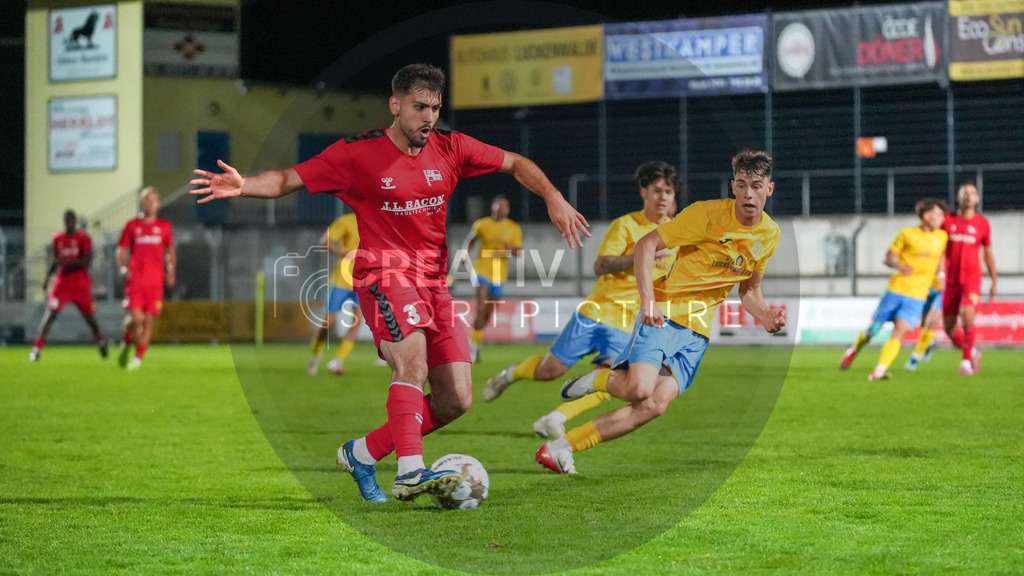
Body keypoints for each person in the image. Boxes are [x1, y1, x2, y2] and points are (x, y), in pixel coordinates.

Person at [190, 63, 589, 503]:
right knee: (411, 362)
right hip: (384, 275)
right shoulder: (355, 154)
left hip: (435, 285)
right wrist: (244, 185)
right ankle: (410, 471)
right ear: (395, 106)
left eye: (436, 107)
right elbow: (288, 179)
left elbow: (515, 162)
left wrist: (553, 197)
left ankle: (363, 453)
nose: (429, 117)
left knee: (456, 400)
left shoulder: (451, 147)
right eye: (420, 107)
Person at [536, 150, 785, 474]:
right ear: (733, 186)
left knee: (654, 405)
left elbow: (750, 291)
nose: (748, 193)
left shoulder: (770, 235)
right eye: (741, 185)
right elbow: (646, 245)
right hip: (664, 314)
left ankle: (561, 448)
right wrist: (648, 299)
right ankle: (597, 378)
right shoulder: (706, 215)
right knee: (637, 389)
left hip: (697, 333)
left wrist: (764, 315)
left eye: (756, 185)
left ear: (770, 188)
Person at [482, 161, 679, 441]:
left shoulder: (677, 235)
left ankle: (557, 418)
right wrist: (643, 255)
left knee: (615, 379)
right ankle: (511, 374)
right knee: (549, 371)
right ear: (644, 192)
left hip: (629, 323)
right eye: (657, 190)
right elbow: (601, 265)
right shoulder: (626, 224)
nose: (663, 197)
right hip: (597, 312)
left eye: (668, 192)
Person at [839, 198, 948, 380]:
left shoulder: (942, 237)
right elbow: (889, 257)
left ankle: (879, 370)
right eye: (938, 214)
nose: (942, 218)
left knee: (901, 331)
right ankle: (854, 349)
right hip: (896, 290)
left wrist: (941, 276)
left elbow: (941, 256)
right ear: (927, 215)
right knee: (873, 331)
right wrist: (898, 265)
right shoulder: (907, 234)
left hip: (918, 296)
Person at [29, 209, 108, 361]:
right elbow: (55, 260)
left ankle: (100, 340)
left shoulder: (83, 238)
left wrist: (67, 262)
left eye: (71, 219)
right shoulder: (58, 238)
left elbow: (86, 262)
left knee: (89, 318)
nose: (69, 222)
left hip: (80, 284)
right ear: (64, 221)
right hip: (62, 284)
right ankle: (36, 349)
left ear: (75, 220)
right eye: (66, 219)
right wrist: (47, 278)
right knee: (50, 315)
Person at [117, 187, 175, 371]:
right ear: (142, 203)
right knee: (136, 319)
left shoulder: (164, 226)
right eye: (147, 199)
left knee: (149, 320)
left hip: (155, 281)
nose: (150, 203)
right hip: (136, 280)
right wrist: (124, 267)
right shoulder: (132, 226)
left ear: (158, 204)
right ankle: (126, 342)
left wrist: (171, 270)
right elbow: (121, 249)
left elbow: (169, 251)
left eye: (154, 200)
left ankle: (138, 358)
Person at [941, 182, 997, 376]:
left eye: (972, 193)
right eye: (964, 192)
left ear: (977, 199)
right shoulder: (947, 221)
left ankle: (965, 364)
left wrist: (994, 280)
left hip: (972, 278)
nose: (968, 196)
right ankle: (973, 351)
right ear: (958, 197)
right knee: (949, 328)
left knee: (967, 315)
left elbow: (988, 252)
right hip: (951, 280)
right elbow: (938, 248)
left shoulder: (983, 224)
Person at [461, 195, 522, 363]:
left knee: (488, 313)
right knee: (481, 307)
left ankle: (476, 341)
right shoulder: (481, 224)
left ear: (508, 210)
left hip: (499, 274)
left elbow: (519, 252)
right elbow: (470, 241)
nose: (501, 209)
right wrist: (465, 254)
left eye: (504, 206)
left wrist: (511, 249)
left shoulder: (513, 228)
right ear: (493, 208)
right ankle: (472, 349)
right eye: (498, 206)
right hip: (481, 270)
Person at [307, 211, 366, 376]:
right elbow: (326, 241)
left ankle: (338, 361)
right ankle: (316, 356)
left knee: (358, 320)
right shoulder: (347, 221)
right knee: (328, 322)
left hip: (364, 281)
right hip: (342, 280)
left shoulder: (376, 221)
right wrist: (344, 253)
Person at [904, 272, 944, 370]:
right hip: (926, 288)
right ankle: (930, 341)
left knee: (932, 321)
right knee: (923, 322)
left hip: (942, 290)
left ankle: (916, 356)